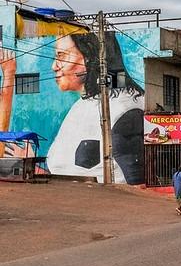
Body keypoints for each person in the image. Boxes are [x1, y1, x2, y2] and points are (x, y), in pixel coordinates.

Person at [1, 31, 145, 183]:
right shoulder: (83, 105)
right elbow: (65, 173)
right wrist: (31, 163)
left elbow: (134, 182)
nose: (54, 66)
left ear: (89, 58)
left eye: (61, 56)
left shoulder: (125, 108)